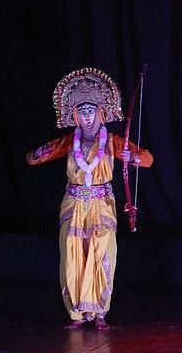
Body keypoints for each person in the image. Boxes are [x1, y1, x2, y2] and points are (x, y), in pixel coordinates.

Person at [26, 68, 153, 330]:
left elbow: (148, 159)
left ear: (100, 113)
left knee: (102, 252)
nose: (86, 117)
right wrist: (38, 154)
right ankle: (76, 313)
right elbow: (34, 157)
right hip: (73, 204)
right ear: (75, 115)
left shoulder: (114, 142)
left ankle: (99, 313)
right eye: (81, 112)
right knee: (72, 255)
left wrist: (134, 158)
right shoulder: (67, 142)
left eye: (90, 111)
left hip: (101, 204)